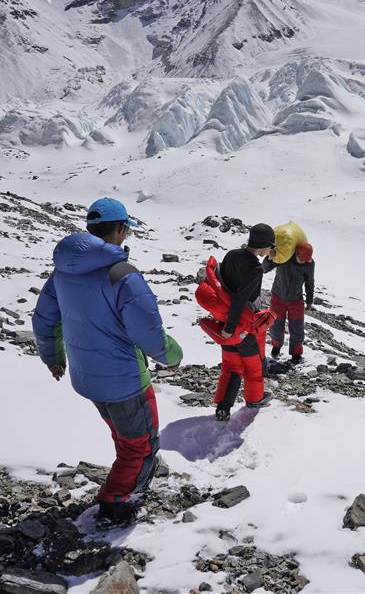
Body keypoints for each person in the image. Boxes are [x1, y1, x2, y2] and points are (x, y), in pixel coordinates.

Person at [32, 197, 183, 527]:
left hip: (89, 380)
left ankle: (122, 486)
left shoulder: (64, 271)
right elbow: (149, 333)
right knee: (143, 447)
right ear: (120, 229)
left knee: (124, 437)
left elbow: (44, 319)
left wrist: (53, 358)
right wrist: (172, 356)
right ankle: (115, 503)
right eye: (126, 229)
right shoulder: (122, 275)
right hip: (125, 381)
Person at [214, 223, 276, 421]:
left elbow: (223, 285)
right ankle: (255, 399)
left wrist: (226, 326)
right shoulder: (255, 268)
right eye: (271, 246)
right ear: (264, 245)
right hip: (242, 325)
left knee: (231, 365)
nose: (270, 251)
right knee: (253, 365)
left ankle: (223, 407)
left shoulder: (232, 255)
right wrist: (233, 326)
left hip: (224, 320)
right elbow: (241, 298)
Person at [263, 242, 315, 364]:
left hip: (296, 300)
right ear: (296, 253)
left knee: (297, 328)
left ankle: (296, 355)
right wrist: (269, 258)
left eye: (306, 260)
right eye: (301, 259)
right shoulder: (284, 257)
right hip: (278, 298)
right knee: (275, 327)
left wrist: (309, 301)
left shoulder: (309, 264)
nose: (303, 262)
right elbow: (265, 269)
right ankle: (276, 347)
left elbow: (309, 282)